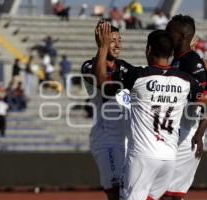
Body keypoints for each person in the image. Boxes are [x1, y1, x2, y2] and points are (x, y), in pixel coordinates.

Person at [95, 23, 207, 200]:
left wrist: (103, 46)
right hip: (168, 159)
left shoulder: (138, 76)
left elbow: (101, 82)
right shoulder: (185, 80)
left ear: (149, 49)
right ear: (170, 53)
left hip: (142, 158)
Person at [163, 15, 207, 200]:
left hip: (189, 137)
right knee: (163, 192)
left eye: (169, 31)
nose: (165, 34)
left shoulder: (192, 62)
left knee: (169, 194)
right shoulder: (178, 60)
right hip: (176, 133)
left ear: (180, 36)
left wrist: (199, 135)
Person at [81, 22, 132, 200]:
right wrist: (102, 47)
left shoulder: (125, 67)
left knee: (132, 192)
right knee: (116, 193)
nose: (118, 45)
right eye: (112, 41)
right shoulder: (88, 66)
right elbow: (100, 81)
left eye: (120, 40)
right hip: (106, 139)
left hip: (128, 139)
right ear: (101, 41)